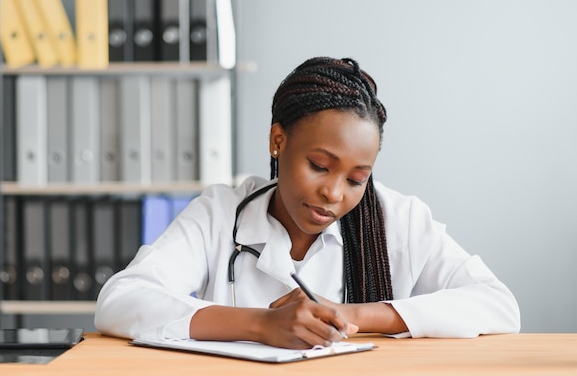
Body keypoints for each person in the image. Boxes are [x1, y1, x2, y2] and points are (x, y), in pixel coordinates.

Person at [95, 57, 520, 348]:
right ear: (278, 141)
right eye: (319, 165)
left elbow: (498, 305)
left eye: (357, 179)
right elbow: (121, 300)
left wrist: (352, 315)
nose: (334, 193)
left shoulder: (400, 220)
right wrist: (261, 325)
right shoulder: (221, 212)